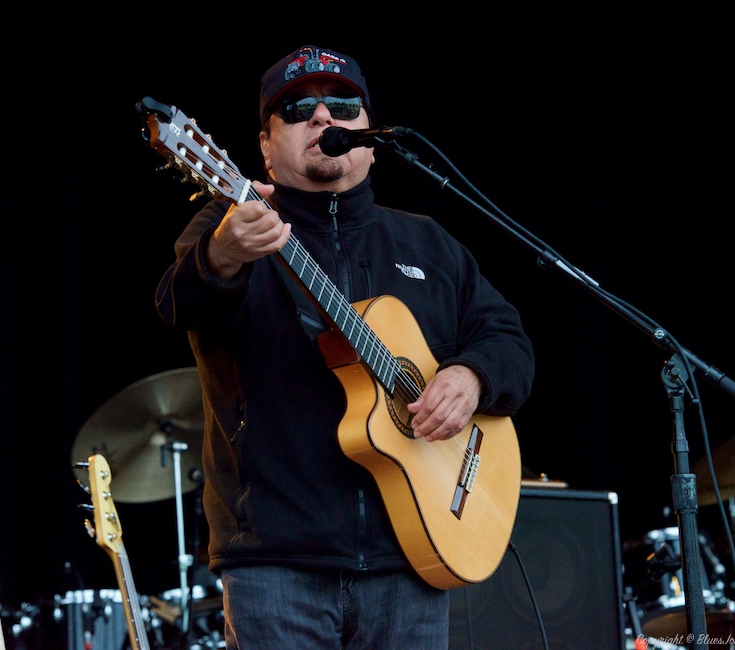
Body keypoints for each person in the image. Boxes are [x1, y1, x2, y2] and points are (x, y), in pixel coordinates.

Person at [155, 44, 535, 649]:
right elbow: (180, 305)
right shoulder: (231, 223)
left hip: (414, 552)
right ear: (264, 146)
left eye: (343, 105)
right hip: (276, 560)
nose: (322, 116)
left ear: (370, 136)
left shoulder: (426, 242)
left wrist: (471, 377)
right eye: (297, 109)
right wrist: (223, 253)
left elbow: (508, 340)